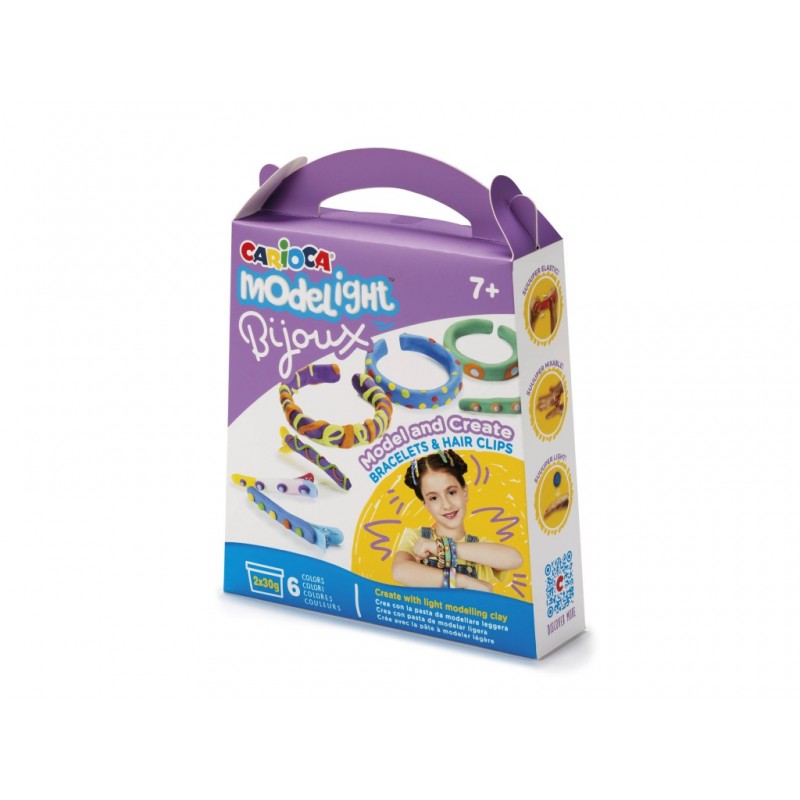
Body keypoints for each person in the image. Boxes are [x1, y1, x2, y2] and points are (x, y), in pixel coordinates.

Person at [391, 450, 523, 591]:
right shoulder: (416, 538)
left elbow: (514, 559)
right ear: (426, 505)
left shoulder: (478, 547)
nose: (447, 505)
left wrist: (442, 548)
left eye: (451, 492)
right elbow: (400, 571)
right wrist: (465, 582)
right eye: (433, 498)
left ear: (464, 492)